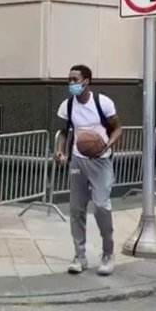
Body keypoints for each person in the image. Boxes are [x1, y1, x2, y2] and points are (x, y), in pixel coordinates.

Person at [54, 64, 122, 276]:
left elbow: (118, 128)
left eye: (75, 79)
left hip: (101, 161)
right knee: (76, 209)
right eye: (69, 80)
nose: (71, 83)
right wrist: (59, 151)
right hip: (78, 160)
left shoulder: (103, 103)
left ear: (86, 81)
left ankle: (108, 254)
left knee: (101, 206)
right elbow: (63, 132)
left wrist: (107, 145)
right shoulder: (68, 106)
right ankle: (79, 255)